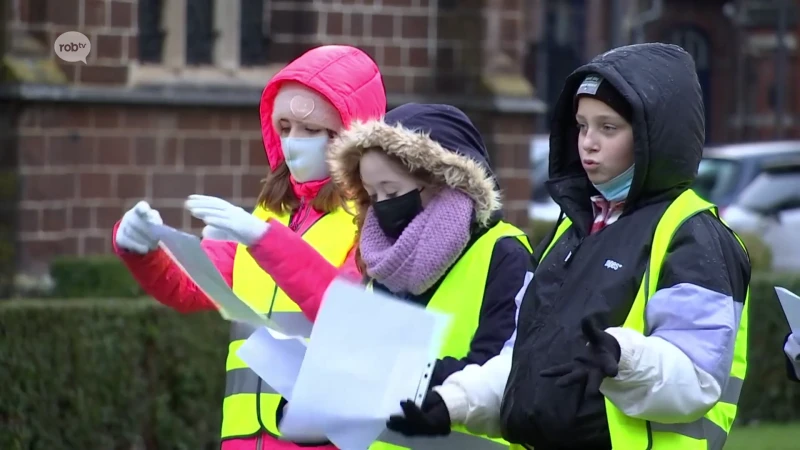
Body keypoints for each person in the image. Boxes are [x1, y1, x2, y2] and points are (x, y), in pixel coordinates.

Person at [387, 43, 752, 450]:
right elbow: (521, 361)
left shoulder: (693, 234)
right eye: (581, 125)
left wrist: (624, 357)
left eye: (608, 127)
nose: (588, 143)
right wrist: (454, 404)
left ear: (655, 135)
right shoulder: (571, 231)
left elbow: (698, 378)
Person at [187, 102, 534, 449]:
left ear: (446, 181)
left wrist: (389, 379)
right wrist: (316, 402)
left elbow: (501, 371)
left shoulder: (503, 252)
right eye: (372, 195)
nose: (382, 205)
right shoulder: (384, 263)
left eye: (392, 191)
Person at [112, 45, 386, 450]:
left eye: (312, 130)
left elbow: (344, 311)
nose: (294, 143)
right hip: (244, 439)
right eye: (286, 126)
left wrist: (265, 242)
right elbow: (194, 285)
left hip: (321, 439)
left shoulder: (370, 220)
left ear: (351, 137)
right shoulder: (267, 215)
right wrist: (143, 247)